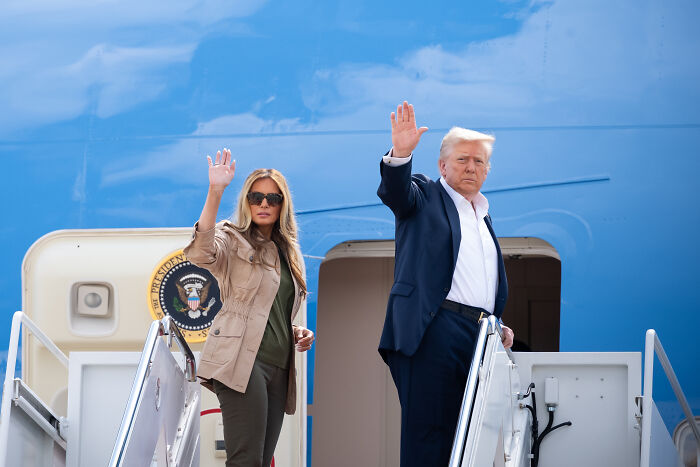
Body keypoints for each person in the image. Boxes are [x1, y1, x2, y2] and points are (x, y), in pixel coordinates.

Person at [377, 102, 515, 466]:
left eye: (479, 161)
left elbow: (473, 281)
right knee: (429, 439)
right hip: (433, 329)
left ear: (487, 170)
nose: (471, 167)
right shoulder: (424, 195)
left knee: (467, 440)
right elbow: (396, 193)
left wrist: (495, 323)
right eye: (462, 159)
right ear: (442, 165)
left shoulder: (482, 216)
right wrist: (401, 154)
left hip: (479, 336)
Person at [183, 148, 314, 467]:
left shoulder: (288, 251)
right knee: (246, 460)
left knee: (262, 459)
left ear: (283, 204)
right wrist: (216, 191)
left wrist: (294, 330)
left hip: (280, 367)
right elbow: (200, 253)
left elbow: (272, 308)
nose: (264, 204)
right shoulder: (232, 237)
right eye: (256, 197)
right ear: (247, 202)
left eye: (273, 198)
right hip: (241, 359)